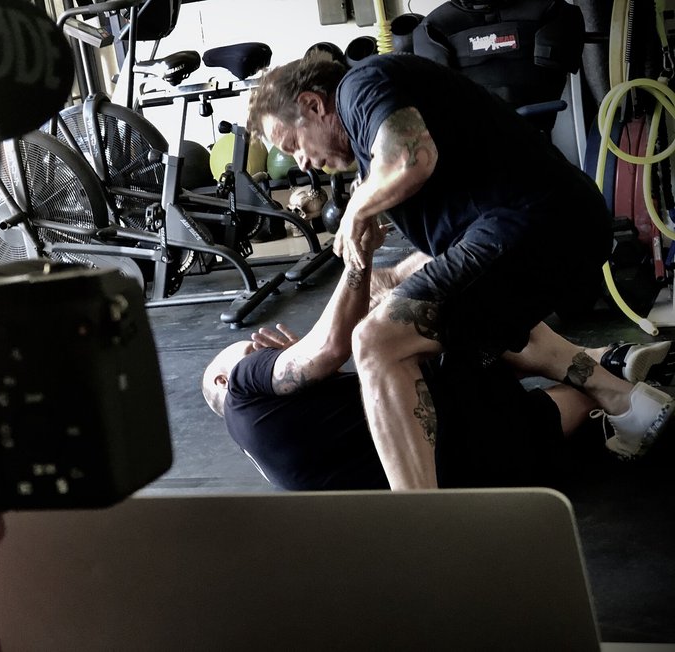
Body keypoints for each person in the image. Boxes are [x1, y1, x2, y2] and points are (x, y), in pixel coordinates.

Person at [245, 50, 656, 489]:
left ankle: (423, 519)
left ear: (312, 105)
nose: (301, 163)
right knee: (429, 319)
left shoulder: (359, 87)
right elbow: (443, 238)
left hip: (537, 223)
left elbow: (411, 159)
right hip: (548, 228)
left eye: (293, 145)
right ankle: (629, 403)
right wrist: (384, 275)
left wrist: (356, 211)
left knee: (377, 342)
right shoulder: (368, 137)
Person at [201, 235, 675, 491]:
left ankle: (611, 373)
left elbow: (355, 394)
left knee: (555, 408)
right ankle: (611, 376)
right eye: (250, 346)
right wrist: (358, 257)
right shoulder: (240, 386)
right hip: (450, 419)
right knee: (432, 305)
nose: (259, 347)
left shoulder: (276, 458)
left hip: (483, 476)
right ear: (223, 378)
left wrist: (296, 365)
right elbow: (330, 349)